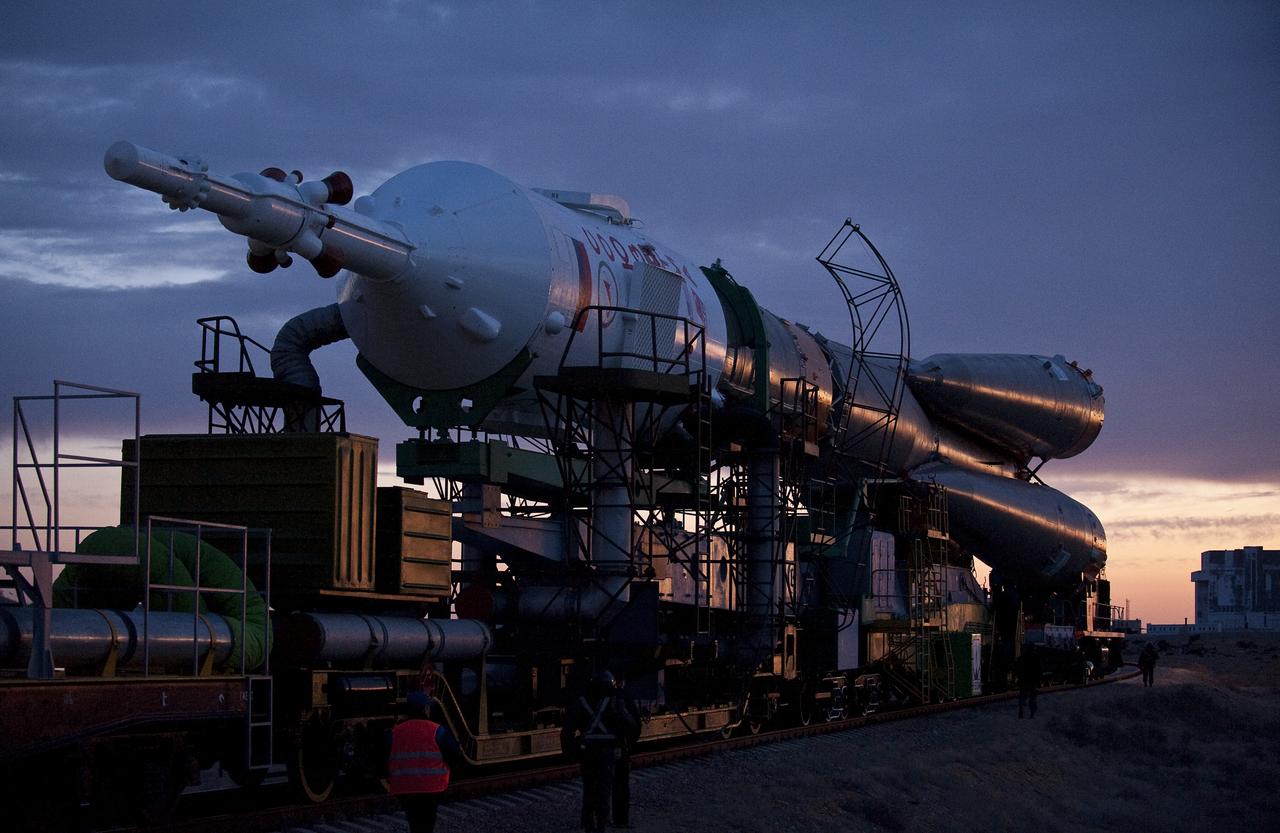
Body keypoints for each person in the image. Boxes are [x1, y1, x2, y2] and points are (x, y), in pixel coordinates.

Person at [561, 670, 637, 833]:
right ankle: (601, 825)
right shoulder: (614, 702)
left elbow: (567, 730)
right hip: (607, 752)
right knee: (604, 790)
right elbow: (630, 725)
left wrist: (568, 753)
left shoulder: (582, 701)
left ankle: (588, 824)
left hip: (587, 752)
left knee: (589, 788)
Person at [389, 691, 464, 833]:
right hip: (432, 787)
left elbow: (386, 756)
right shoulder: (437, 730)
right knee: (427, 822)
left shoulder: (396, 732)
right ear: (426, 709)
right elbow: (454, 753)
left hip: (404, 788)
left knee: (414, 821)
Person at [611, 675, 643, 829]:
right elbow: (635, 727)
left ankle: (593, 818)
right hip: (619, 748)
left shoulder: (592, 698)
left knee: (596, 785)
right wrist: (628, 745)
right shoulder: (623, 698)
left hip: (596, 748)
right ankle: (620, 820)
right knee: (621, 785)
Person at [1015, 645, 1042, 719]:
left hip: (1023, 680)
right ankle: (1032, 715)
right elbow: (1039, 670)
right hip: (1032, 681)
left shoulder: (1021, 658)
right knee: (1033, 698)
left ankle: (1021, 712)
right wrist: (1038, 680)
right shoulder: (1036, 658)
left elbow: (1017, 668)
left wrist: (1019, 677)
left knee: (1022, 696)